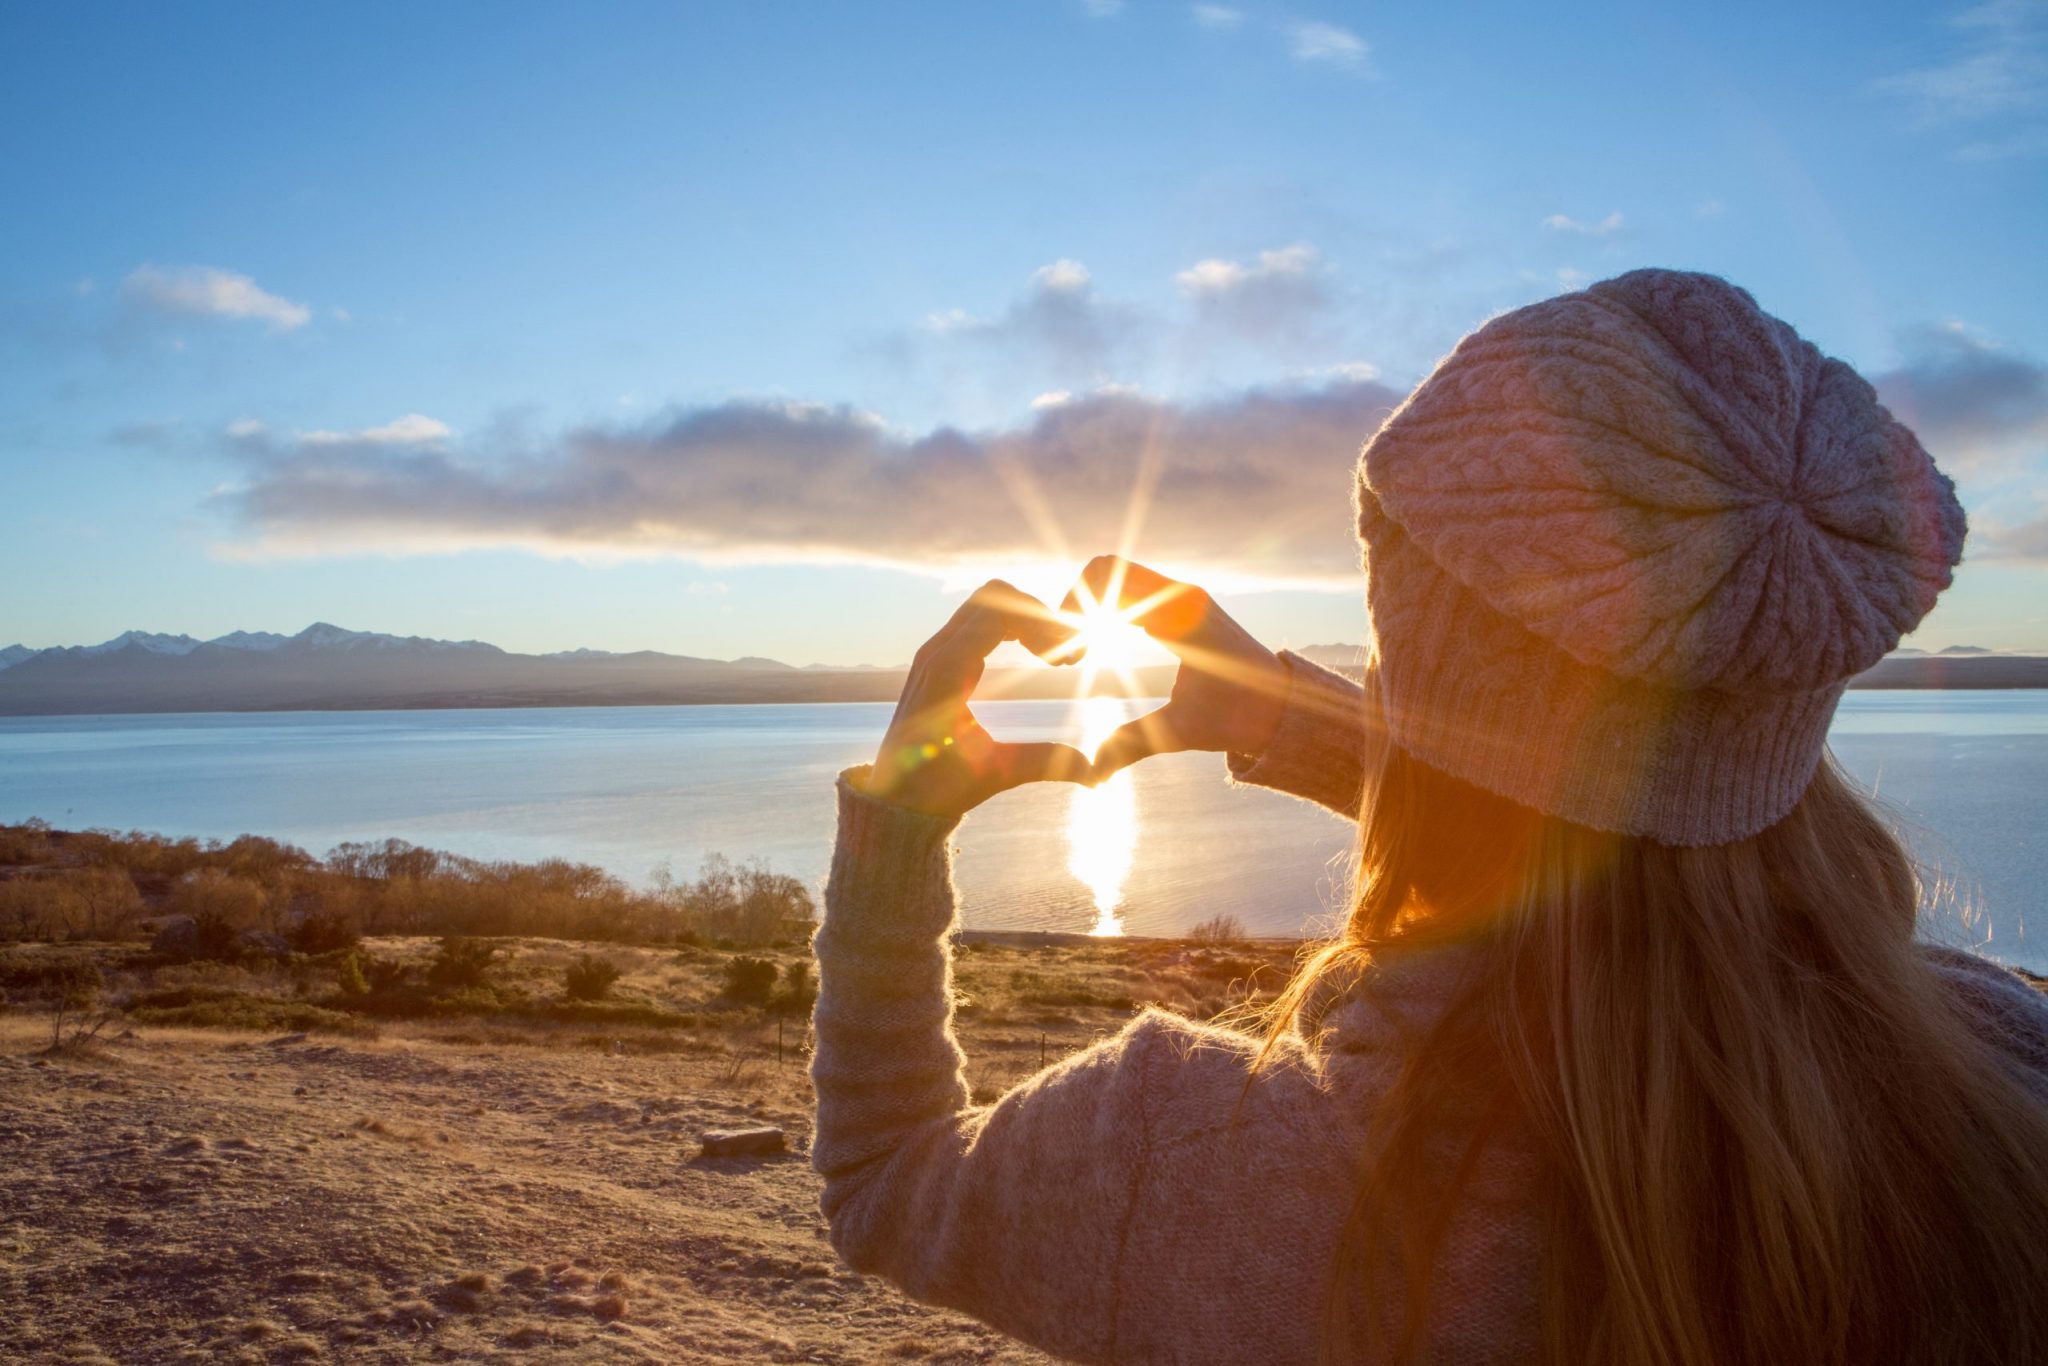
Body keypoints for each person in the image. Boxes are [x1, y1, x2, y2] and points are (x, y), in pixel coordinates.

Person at [807, 270, 2048, 1364]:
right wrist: (1306, 721)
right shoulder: (1999, 1081)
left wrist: (896, 840)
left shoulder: (1177, 1161)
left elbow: (880, 1181)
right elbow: (1624, 824)